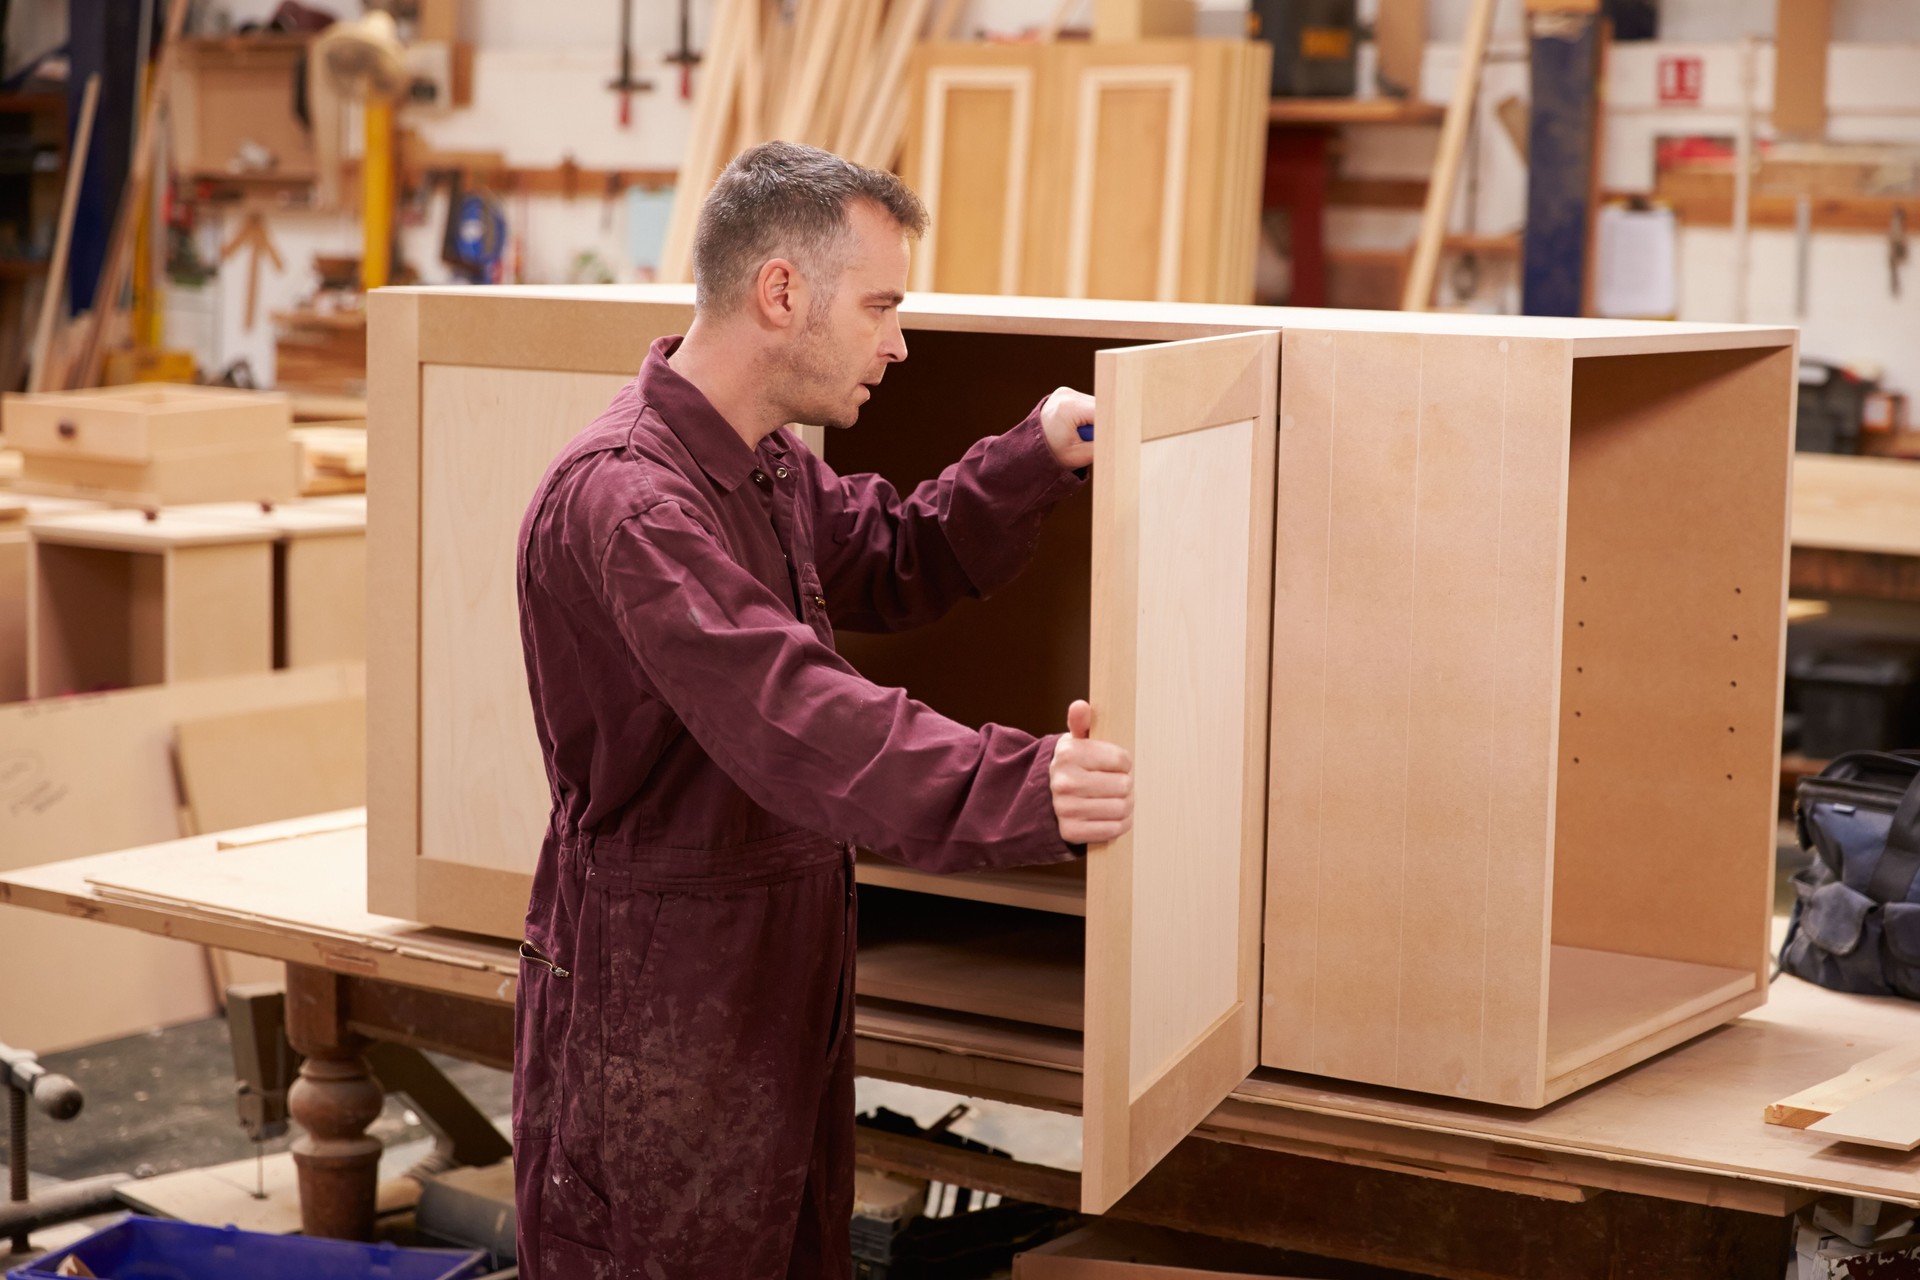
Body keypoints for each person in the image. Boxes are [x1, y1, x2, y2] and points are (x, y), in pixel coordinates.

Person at [512, 140, 1135, 1278]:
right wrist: (1021, 784)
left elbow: (899, 554)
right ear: (782, 292)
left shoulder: (763, 465)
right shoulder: (634, 503)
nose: (899, 340)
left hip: (772, 968)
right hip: (663, 995)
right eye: (882, 304)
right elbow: (797, 715)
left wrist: (1039, 452)